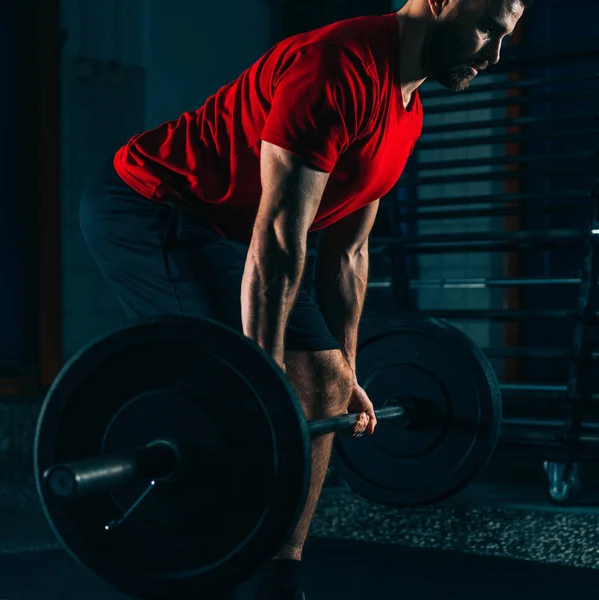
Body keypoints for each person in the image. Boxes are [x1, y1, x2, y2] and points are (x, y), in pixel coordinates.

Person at [79, 0, 528, 597]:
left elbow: (347, 256)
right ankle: (198, 556)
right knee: (250, 390)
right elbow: (279, 235)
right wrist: (262, 383)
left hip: (231, 231)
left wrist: (347, 375)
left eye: (505, 38)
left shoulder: (407, 113)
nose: (494, 55)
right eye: (487, 31)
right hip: (152, 205)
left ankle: (277, 577)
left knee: (319, 382)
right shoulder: (338, 65)